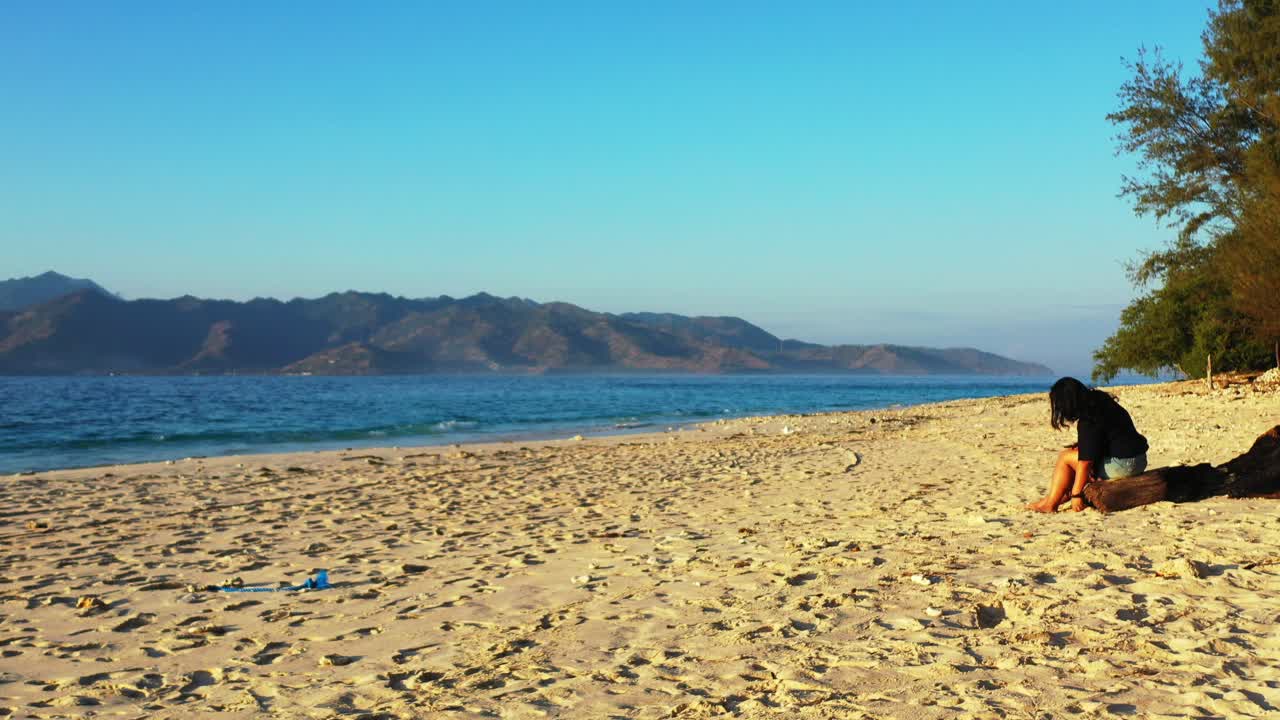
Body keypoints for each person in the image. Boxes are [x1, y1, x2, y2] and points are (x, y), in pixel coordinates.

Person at [1026, 377, 1149, 513]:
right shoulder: (1100, 400)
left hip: (1124, 465)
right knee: (1076, 451)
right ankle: (1049, 500)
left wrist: (1076, 495)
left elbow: (1085, 463)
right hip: (1139, 459)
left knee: (1065, 457)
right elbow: (1104, 438)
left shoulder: (1088, 420)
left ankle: (1050, 504)